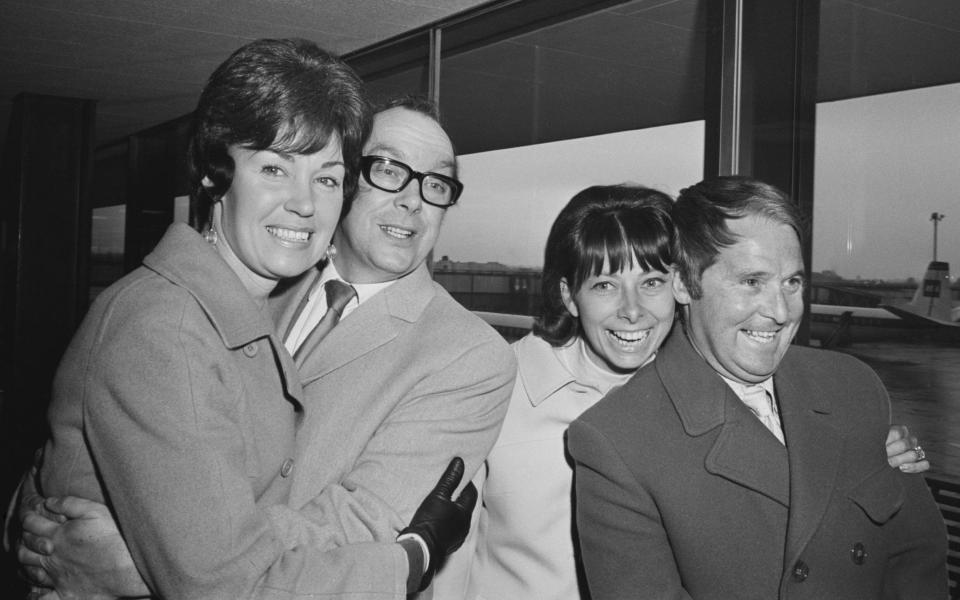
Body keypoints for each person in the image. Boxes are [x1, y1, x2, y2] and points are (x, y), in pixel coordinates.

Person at [10, 39, 479, 599]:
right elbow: (225, 582)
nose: (304, 202)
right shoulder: (172, 325)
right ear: (214, 174)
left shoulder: (253, 292)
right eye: (275, 168)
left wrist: (141, 557)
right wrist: (411, 561)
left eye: (327, 177)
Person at [434, 184, 931, 599]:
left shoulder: (735, 384)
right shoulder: (502, 386)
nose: (633, 311)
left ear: (678, 286)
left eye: (650, 282)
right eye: (605, 285)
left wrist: (862, 443)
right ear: (568, 294)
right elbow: (453, 553)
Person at [568, 175, 947, 599]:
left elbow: (917, 559)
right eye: (752, 282)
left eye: (793, 283)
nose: (782, 311)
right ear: (684, 283)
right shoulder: (615, 440)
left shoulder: (852, 386)